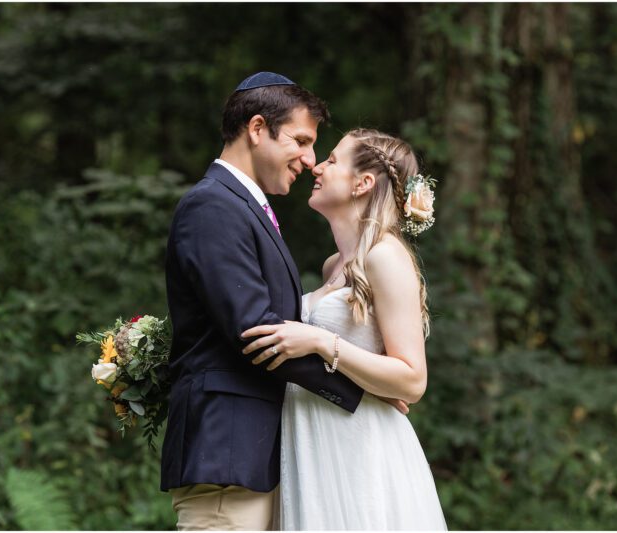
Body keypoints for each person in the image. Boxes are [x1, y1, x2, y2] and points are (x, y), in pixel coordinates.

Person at [161, 73, 393, 530]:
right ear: (257, 128)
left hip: (258, 457)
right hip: (226, 456)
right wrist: (363, 390)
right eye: (302, 141)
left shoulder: (244, 207)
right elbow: (257, 331)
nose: (310, 161)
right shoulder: (212, 207)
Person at [242, 128, 447, 530]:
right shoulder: (333, 266)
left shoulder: (386, 257)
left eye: (332, 160)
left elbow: (412, 379)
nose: (316, 166)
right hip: (313, 440)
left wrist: (321, 341)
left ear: (363, 183)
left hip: (362, 449)